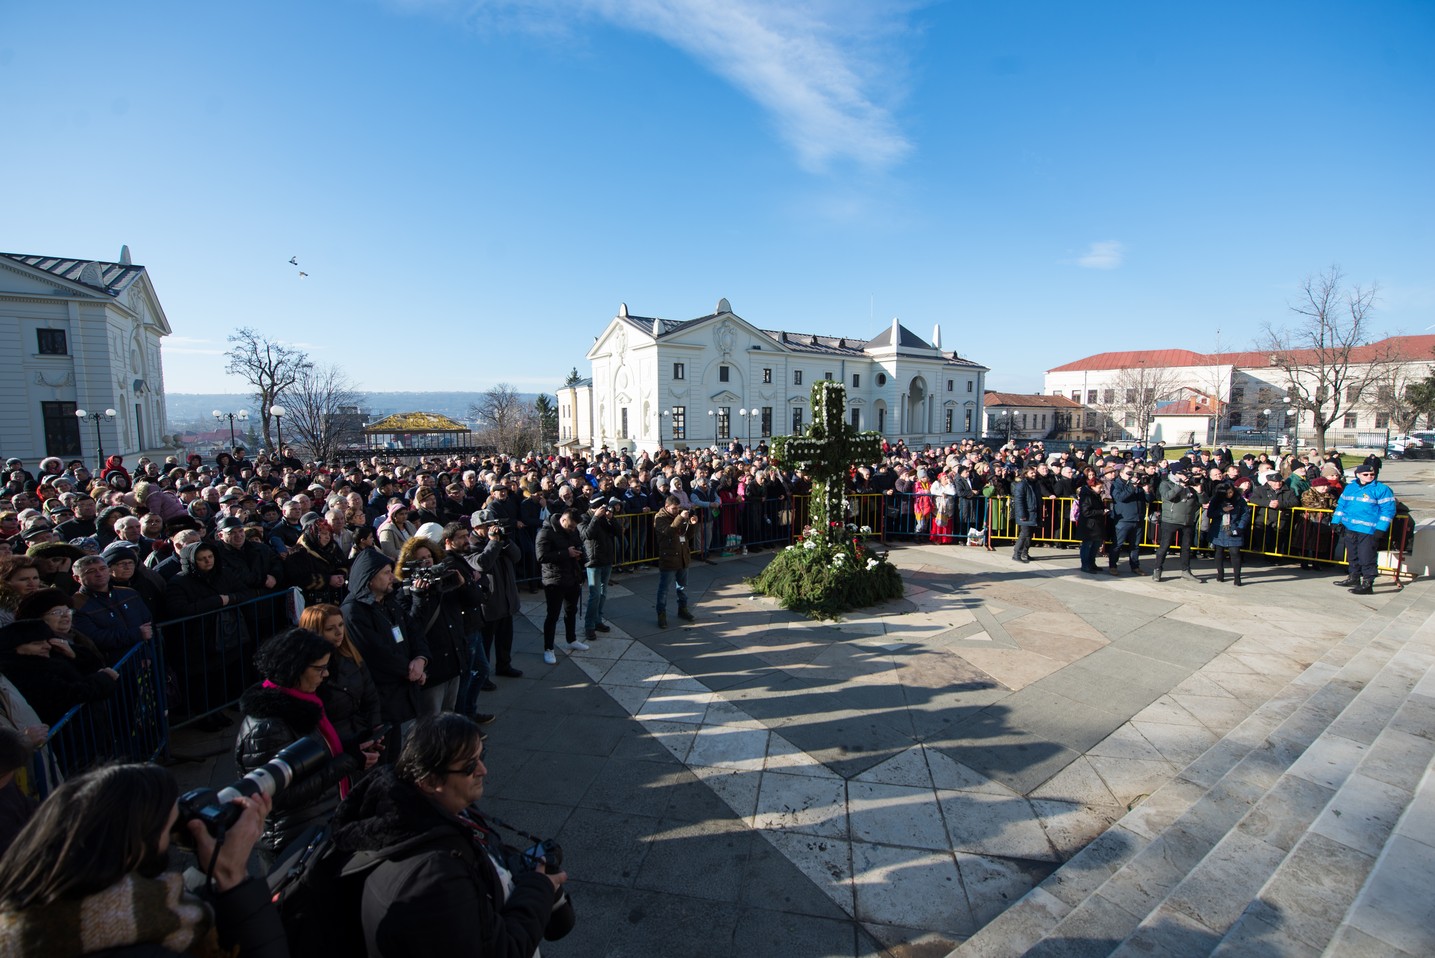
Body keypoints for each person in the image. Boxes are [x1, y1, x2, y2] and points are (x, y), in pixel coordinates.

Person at [325, 713, 570, 957]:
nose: (483, 770)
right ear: (430, 781)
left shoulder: (436, 809)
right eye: (470, 766)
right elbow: (499, 951)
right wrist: (540, 888)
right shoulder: (434, 876)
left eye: (481, 756)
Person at [0, 763, 283, 957]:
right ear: (134, 849)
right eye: (171, 828)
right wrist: (232, 876)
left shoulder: (28, 915)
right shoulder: (138, 943)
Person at [234, 627, 379, 865]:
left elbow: (314, 758)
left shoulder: (303, 704)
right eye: (320, 669)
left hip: (314, 826)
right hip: (290, 841)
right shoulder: (268, 727)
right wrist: (348, 761)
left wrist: (354, 748)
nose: (325, 675)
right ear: (295, 668)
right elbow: (281, 797)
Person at [343, 548, 429, 736]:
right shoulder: (353, 611)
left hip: (398, 691)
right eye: (386, 573)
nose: (392, 577)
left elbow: (413, 629)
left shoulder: (389, 601)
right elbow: (375, 652)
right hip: (379, 698)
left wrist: (420, 659)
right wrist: (410, 669)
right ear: (370, 578)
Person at [0, 619, 118, 725]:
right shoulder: (21, 671)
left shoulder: (52, 657)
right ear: (15, 648)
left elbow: (92, 664)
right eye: (37, 643)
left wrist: (74, 654)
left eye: (47, 641)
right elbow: (69, 694)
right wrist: (104, 679)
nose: (46, 646)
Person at [301, 603, 383, 748]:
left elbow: (370, 697)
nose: (339, 632)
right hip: (333, 744)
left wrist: (375, 728)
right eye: (330, 629)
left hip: (362, 735)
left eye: (341, 625)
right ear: (315, 632)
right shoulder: (307, 672)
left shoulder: (352, 656)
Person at [68, 555, 153, 665]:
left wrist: (148, 654)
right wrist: (136, 634)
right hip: (113, 667)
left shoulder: (129, 593)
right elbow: (94, 638)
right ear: (77, 578)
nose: (99, 574)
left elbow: (148, 624)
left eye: (102, 569)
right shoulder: (76, 604)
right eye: (91, 571)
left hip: (146, 661)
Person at [469, 509, 523, 679]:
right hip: (488, 602)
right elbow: (482, 564)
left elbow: (517, 557)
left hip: (506, 598)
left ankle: (504, 665)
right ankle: (482, 676)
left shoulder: (499, 541)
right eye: (488, 526)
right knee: (485, 642)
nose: (493, 528)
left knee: (505, 638)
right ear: (477, 527)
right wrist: (493, 543)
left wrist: (505, 541)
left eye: (493, 524)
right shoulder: (470, 545)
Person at [1332, 461, 1397, 595]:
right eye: (1366, 474)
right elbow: (1341, 505)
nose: (1369, 476)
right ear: (1358, 475)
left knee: (1366, 557)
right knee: (1353, 555)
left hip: (1368, 530)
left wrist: (1381, 528)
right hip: (1350, 527)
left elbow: (1388, 510)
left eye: (1372, 474)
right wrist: (1336, 521)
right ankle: (1354, 577)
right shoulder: (1350, 488)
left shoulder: (1381, 489)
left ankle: (1368, 583)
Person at [535, 508, 588, 665]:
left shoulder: (573, 531)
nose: (573, 529)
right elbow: (541, 556)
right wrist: (566, 553)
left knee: (571, 611)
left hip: (572, 576)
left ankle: (571, 639)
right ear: (563, 520)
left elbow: (578, 545)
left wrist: (580, 555)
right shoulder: (546, 532)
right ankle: (548, 648)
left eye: (574, 527)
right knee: (553, 615)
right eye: (571, 526)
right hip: (554, 580)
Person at [653, 495, 699, 628]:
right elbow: (669, 531)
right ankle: (661, 615)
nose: (676, 511)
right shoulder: (659, 518)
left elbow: (687, 535)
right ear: (667, 507)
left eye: (678, 508)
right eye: (674, 509)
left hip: (682, 556)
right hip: (669, 558)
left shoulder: (679, 516)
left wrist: (691, 524)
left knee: (682, 587)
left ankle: (683, 609)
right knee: (664, 590)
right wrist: (681, 518)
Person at [1152, 466, 1203, 584]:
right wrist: (1180, 486)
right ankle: (1157, 569)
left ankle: (1186, 571)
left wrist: (1200, 492)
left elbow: (1203, 501)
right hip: (1170, 520)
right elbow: (1168, 496)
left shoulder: (1191, 485)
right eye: (1182, 473)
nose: (1185, 476)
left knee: (1186, 548)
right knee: (1164, 546)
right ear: (1175, 474)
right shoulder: (1166, 483)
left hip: (1187, 521)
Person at [579, 497, 619, 640]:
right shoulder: (584, 517)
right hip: (594, 561)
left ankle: (598, 621)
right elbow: (587, 534)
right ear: (594, 508)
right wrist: (595, 518)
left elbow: (618, 532)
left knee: (603, 593)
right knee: (594, 595)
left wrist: (611, 519)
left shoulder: (604, 518)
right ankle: (589, 626)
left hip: (606, 559)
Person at [1206, 481, 1250, 586]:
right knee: (1219, 551)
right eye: (1227, 493)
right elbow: (1210, 514)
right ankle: (1220, 574)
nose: (1229, 495)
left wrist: (1240, 527)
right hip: (1219, 528)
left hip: (1234, 527)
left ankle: (1237, 577)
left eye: (1231, 492)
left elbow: (1245, 514)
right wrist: (1222, 510)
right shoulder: (1216, 500)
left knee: (1235, 552)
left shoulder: (1239, 500)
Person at [1075, 471, 1109, 575]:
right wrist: (1101, 512)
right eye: (1099, 488)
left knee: (1095, 545)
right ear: (1092, 487)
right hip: (1089, 525)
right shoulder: (1086, 495)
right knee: (1087, 545)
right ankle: (1085, 565)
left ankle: (1092, 563)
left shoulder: (1095, 495)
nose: (1101, 490)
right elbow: (1086, 511)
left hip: (1096, 524)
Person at [1010, 465, 1039, 563]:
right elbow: (1019, 500)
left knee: (1030, 534)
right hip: (1026, 513)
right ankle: (1016, 554)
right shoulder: (1022, 484)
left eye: (1034, 472)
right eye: (1032, 473)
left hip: (1033, 512)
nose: (1034, 474)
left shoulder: (1035, 484)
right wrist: (1022, 514)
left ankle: (1025, 552)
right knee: (1024, 534)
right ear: (1026, 474)